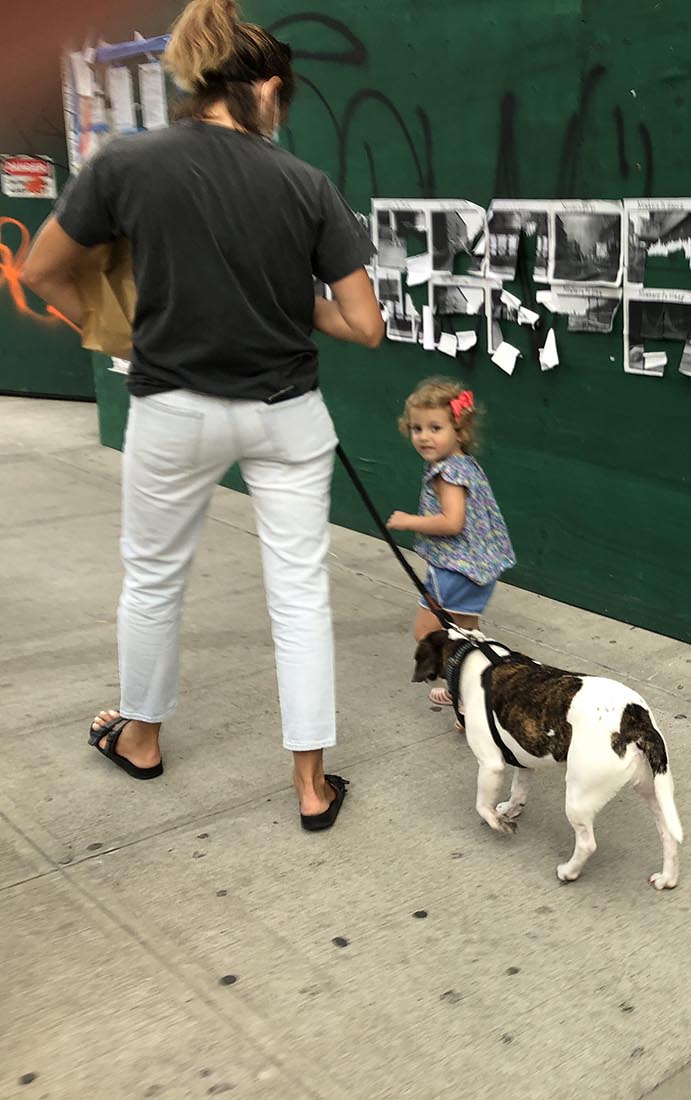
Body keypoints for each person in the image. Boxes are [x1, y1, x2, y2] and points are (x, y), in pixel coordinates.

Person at [20, 0, 383, 831]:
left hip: (171, 407)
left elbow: (43, 269)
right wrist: (297, 301)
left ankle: (141, 739)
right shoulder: (306, 184)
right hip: (287, 416)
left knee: (152, 580)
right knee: (299, 595)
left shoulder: (126, 164)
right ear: (266, 88)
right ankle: (310, 788)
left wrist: (109, 330)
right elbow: (364, 325)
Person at [387, 380, 516, 710]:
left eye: (435, 427)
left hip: (457, 569)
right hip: (476, 568)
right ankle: (478, 691)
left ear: (459, 431)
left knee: (427, 634)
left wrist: (408, 521)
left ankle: (465, 696)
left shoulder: (448, 472)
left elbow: (452, 521)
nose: (424, 436)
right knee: (467, 635)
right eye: (417, 428)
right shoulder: (463, 463)